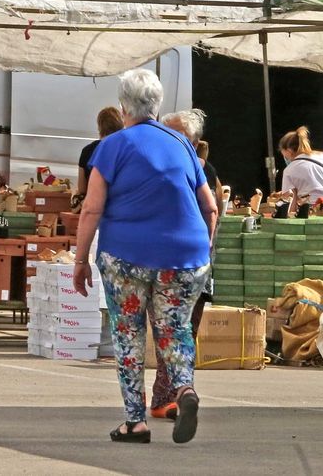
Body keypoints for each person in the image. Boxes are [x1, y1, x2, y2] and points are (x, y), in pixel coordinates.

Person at [72, 70, 217, 447]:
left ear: (123, 108)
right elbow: (210, 206)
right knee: (173, 329)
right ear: (157, 104)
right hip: (185, 258)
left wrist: (80, 259)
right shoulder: (183, 144)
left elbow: (91, 208)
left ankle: (135, 423)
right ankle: (183, 389)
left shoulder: (113, 145)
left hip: (126, 256)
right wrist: (202, 248)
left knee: (128, 334)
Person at [150, 108, 222, 420]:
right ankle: (176, 394)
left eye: (173, 133)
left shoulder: (192, 170)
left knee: (174, 331)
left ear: (190, 141)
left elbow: (211, 211)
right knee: (176, 332)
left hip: (182, 265)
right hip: (182, 264)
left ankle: (171, 397)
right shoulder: (173, 166)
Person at [278, 127, 323, 216]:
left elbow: (290, 201)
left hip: (314, 211)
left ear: (289, 151)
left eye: (284, 155)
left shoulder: (289, 170)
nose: (285, 158)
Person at [75, 106, 124, 205]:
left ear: (100, 126)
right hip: (119, 207)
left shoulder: (87, 151)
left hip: (95, 206)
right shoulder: (125, 149)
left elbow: (82, 189)